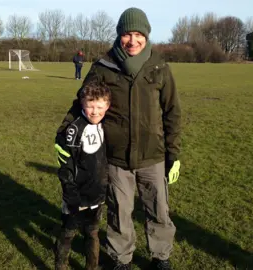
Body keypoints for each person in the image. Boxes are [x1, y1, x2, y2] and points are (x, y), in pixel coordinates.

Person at [56, 7, 181, 270]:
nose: (132, 40)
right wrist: (64, 132)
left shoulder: (159, 66)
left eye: (138, 34)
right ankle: (121, 259)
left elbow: (172, 111)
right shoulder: (104, 67)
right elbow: (82, 101)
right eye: (127, 34)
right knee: (119, 212)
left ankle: (161, 257)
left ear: (146, 36)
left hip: (153, 155)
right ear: (119, 35)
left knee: (158, 210)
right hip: (114, 156)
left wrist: (174, 153)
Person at [54, 82, 111, 270]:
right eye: (90, 106)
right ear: (82, 104)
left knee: (92, 232)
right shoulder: (74, 130)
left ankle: (91, 267)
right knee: (68, 232)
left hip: (97, 194)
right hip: (75, 195)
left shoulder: (108, 126)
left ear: (107, 106)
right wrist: (70, 191)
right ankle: (61, 265)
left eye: (100, 107)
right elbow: (66, 166)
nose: (95, 111)